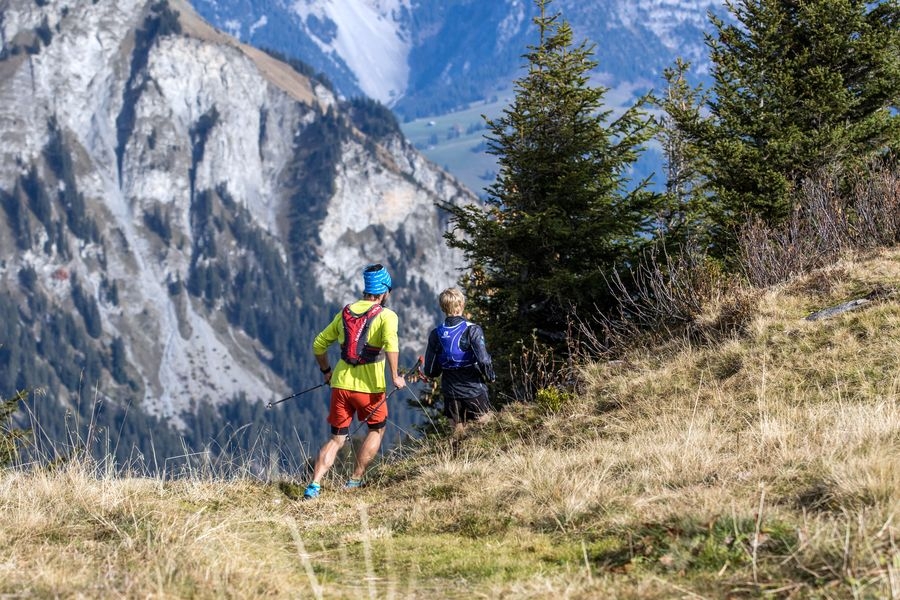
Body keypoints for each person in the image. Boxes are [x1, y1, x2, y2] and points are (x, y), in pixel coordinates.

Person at [303, 264, 405, 500]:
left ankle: (314, 485)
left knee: (337, 438)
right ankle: (355, 480)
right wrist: (395, 377)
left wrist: (327, 371)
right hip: (370, 389)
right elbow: (391, 346)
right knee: (377, 430)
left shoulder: (345, 312)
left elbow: (318, 344)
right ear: (384, 292)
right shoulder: (387, 316)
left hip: (340, 384)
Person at [423, 287, 495, 437]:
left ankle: (457, 459)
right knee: (487, 427)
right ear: (462, 305)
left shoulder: (436, 333)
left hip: (450, 389)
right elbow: (483, 359)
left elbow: (430, 370)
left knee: (457, 432)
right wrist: (490, 376)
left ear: (443, 308)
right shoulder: (472, 330)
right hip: (473, 387)